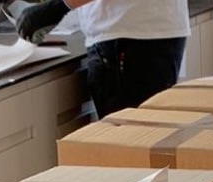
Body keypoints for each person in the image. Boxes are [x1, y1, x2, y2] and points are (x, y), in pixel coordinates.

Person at [13, 0, 188, 119]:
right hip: (148, 30)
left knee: (127, 144)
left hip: (128, 35)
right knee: (145, 139)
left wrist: (58, 7)